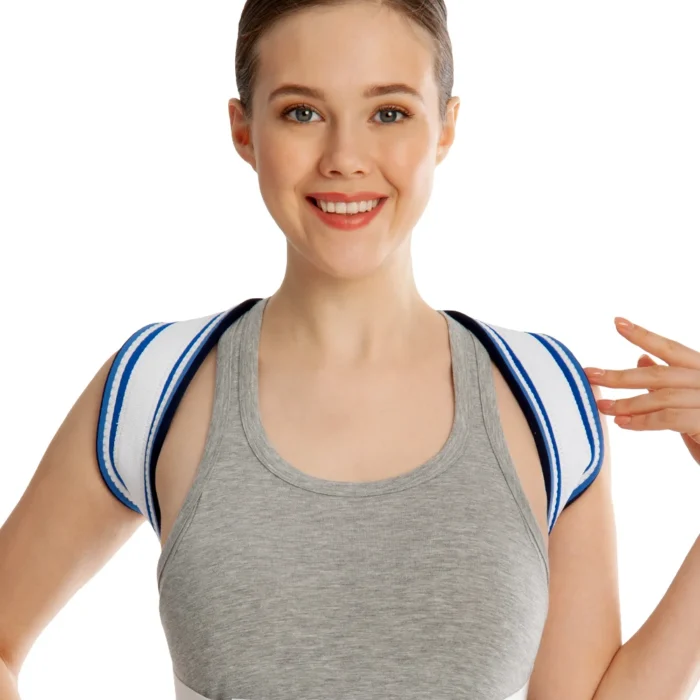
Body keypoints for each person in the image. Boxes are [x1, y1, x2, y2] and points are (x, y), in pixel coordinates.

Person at [0, 2, 622, 699]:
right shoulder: (156, 387)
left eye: (389, 113)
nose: (344, 159)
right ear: (244, 131)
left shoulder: (545, 397)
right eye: (302, 113)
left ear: (445, 126)